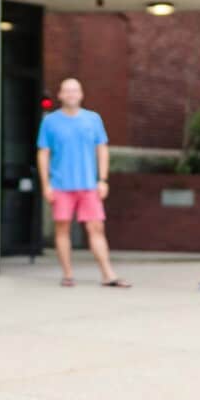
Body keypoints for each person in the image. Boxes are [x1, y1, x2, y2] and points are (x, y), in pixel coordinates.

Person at [36, 78, 130, 288]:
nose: (71, 94)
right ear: (60, 95)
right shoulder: (50, 122)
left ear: (81, 94)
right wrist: (46, 185)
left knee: (96, 227)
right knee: (62, 229)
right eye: (67, 91)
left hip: (89, 185)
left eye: (75, 90)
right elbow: (43, 153)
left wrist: (103, 180)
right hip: (60, 185)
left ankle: (108, 275)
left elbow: (102, 149)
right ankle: (68, 275)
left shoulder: (93, 119)